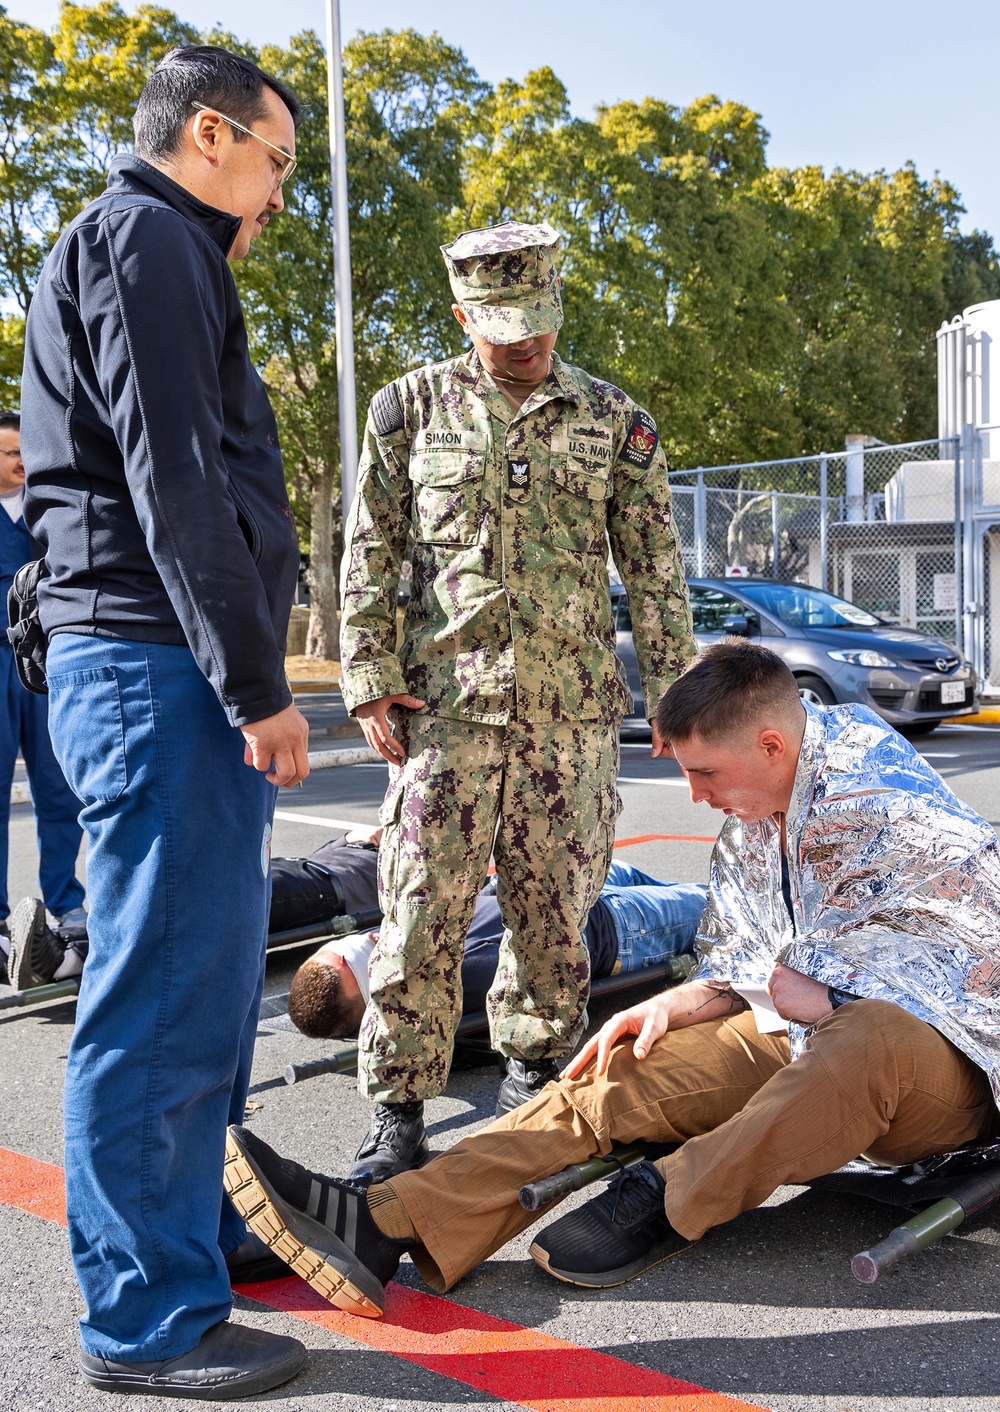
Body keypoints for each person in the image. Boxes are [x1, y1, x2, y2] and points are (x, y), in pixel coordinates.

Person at [220, 640, 1000, 1319]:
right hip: (796, 1033)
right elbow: (748, 951)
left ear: (771, 745)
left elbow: (980, 949)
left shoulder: (886, 803)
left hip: (936, 1066)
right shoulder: (764, 798)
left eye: (705, 773)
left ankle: (669, 1194)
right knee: (621, 1066)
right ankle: (383, 1220)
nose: (695, 797)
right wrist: (685, 996)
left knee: (863, 1037)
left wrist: (831, 995)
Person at [19, 46, 312, 1399]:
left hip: (152, 661)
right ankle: (147, 1315)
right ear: (210, 133)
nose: (279, 190)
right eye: (278, 159)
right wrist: (257, 683)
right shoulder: (146, 238)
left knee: (201, 988)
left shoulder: (159, 247)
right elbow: (173, 476)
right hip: (155, 669)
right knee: (160, 998)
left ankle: (183, 1243)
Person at [339, 219, 695, 1179]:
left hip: (568, 721)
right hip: (444, 713)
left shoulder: (616, 421)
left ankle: (532, 1090)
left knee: (554, 920)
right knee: (418, 914)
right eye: (502, 330)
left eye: (537, 324)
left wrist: (675, 695)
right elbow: (371, 551)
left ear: (558, 306)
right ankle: (399, 1111)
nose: (524, 346)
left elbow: (656, 569)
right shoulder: (407, 408)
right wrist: (369, 675)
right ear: (462, 316)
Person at [287, 857, 708, 1040]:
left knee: (693, 892)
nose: (375, 938)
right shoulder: (448, 985)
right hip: (614, 927)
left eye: (350, 944)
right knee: (720, 903)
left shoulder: (408, 953)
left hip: (565, 887)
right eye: (367, 956)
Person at [0, 410, 86, 986]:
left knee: (62, 789)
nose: (22, 460)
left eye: (24, 449)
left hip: (44, 665)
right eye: (10, 451)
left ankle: (65, 901)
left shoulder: (52, 506)